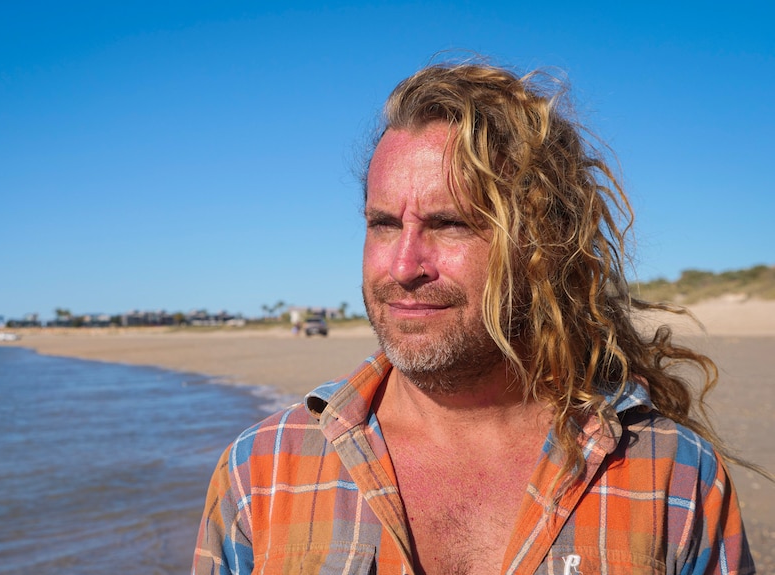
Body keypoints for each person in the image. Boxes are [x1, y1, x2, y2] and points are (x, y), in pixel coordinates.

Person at [193, 60, 757, 574]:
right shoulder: (262, 472)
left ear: (543, 246)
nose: (404, 265)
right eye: (384, 223)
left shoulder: (674, 478)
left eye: (450, 224)